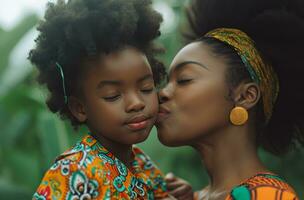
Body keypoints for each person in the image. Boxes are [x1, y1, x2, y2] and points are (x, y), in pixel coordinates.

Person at [157, 0, 304, 199]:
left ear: (245, 96)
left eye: (184, 80)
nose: (162, 93)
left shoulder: (269, 196)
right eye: (167, 82)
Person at [28, 0, 170, 199]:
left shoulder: (143, 164)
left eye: (146, 88)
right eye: (113, 95)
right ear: (80, 108)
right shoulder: (72, 172)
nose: (136, 102)